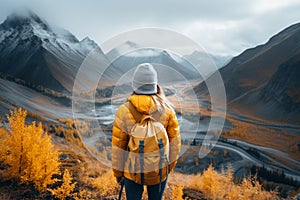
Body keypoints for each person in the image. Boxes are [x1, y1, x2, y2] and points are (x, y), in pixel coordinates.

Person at [112, 63, 181, 200]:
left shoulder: (124, 110)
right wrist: (168, 168)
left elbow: (119, 146)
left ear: (135, 85)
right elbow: (175, 143)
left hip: (132, 172)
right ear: (155, 85)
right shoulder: (167, 110)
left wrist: (118, 173)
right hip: (159, 171)